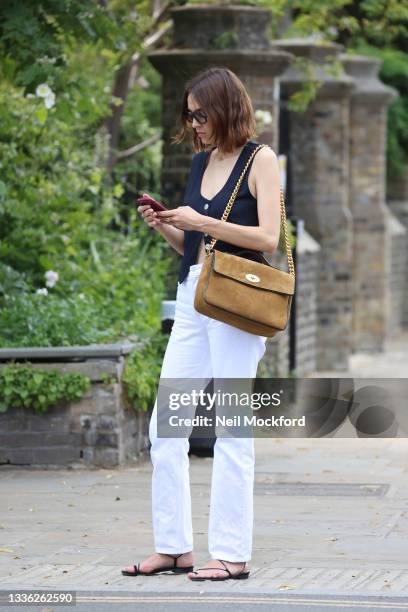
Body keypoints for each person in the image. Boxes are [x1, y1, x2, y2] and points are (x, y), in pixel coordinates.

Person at [122, 67, 281, 581]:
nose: (194, 124)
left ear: (226, 108)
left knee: (234, 427)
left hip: (238, 302)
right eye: (188, 115)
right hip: (195, 294)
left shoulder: (261, 160)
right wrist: (169, 227)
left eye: (200, 114)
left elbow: (268, 239)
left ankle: (232, 554)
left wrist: (201, 221)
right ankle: (174, 547)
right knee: (165, 425)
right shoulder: (199, 162)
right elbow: (196, 251)